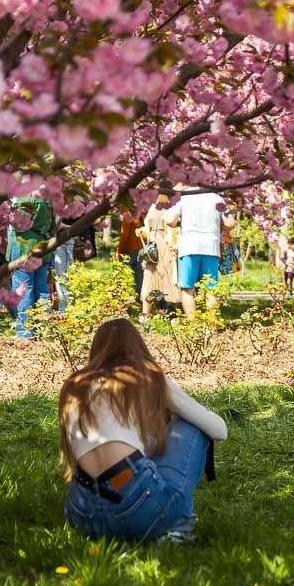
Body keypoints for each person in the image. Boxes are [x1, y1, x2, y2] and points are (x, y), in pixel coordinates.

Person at [58, 318, 228, 542]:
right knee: (192, 427)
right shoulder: (147, 377)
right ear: (138, 346)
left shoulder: (74, 384)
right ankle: (179, 529)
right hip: (135, 509)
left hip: (82, 514)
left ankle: (115, 530)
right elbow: (218, 430)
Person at [166, 185, 235, 319]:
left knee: (187, 288)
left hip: (188, 247)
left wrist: (180, 223)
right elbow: (230, 223)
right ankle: (211, 324)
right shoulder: (217, 199)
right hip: (211, 248)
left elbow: (170, 221)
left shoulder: (184, 197)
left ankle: (193, 325)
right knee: (211, 289)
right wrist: (218, 225)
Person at [10, 196, 55, 339]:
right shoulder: (47, 198)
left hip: (23, 246)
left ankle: (25, 333)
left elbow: (16, 223)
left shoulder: (24, 197)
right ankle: (42, 330)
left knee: (23, 289)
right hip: (43, 246)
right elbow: (54, 225)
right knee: (41, 288)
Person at [140, 192, 182, 316]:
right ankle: (171, 310)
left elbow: (147, 226)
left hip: (153, 245)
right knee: (167, 275)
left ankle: (146, 312)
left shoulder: (153, 207)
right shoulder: (172, 207)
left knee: (150, 275)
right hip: (164, 243)